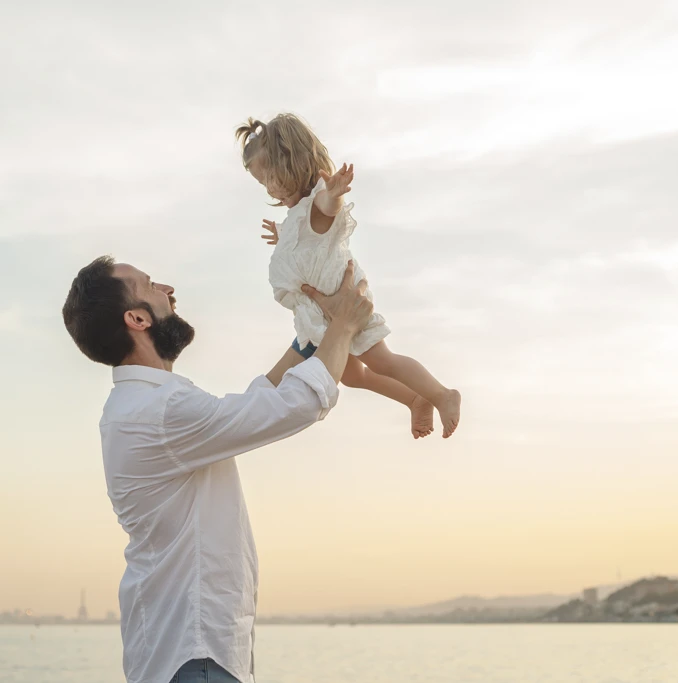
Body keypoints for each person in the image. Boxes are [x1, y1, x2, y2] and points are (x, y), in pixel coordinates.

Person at [62, 255, 374, 683]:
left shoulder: (144, 406)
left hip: (185, 654)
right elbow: (292, 407)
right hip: (195, 657)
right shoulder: (162, 409)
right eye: (151, 285)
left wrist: (311, 336)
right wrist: (345, 324)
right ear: (136, 318)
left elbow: (252, 405)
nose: (168, 290)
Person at [236, 113, 462, 439]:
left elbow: (326, 209)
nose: (268, 188)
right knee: (354, 376)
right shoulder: (298, 214)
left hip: (346, 306)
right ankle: (414, 399)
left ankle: (442, 395)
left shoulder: (319, 200)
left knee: (383, 360)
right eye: (262, 183)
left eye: (270, 178)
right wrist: (282, 233)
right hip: (325, 317)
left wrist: (335, 193)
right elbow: (307, 237)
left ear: (293, 164)